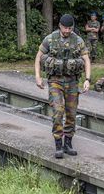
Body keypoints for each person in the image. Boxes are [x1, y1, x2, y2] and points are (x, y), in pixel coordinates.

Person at [34, 14, 92, 159]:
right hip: (55, 81)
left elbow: (86, 59)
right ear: (60, 26)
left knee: (71, 114)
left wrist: (87, 79)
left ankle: (68, 143)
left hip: (72, 82)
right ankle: (58, 144)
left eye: (70, 28)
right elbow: (38, 56)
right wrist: (38, 76)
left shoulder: (77, 40)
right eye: (65, 28)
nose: (67, 31)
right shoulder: (50, 39)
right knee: (58, 111)